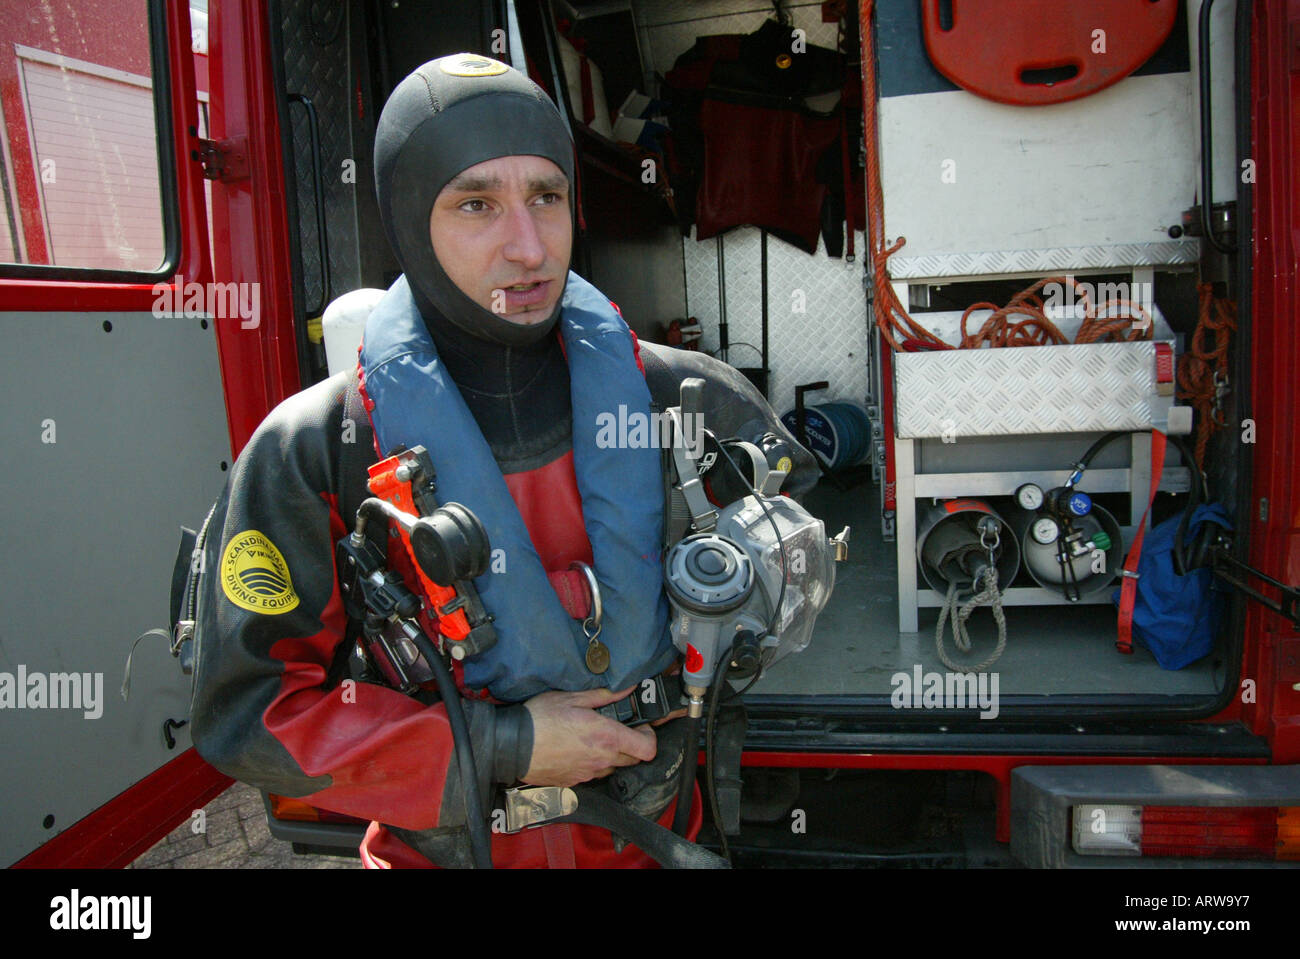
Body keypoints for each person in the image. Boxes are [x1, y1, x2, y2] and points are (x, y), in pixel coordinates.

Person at [190, 53, 815, 868]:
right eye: (477, 203)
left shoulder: (691, 400)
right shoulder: (315, 450)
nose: (529, 247)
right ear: (410, 217)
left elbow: (782, 581)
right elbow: (250, 717)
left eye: (547, 197)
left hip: (658, 845)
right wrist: (503, 744)